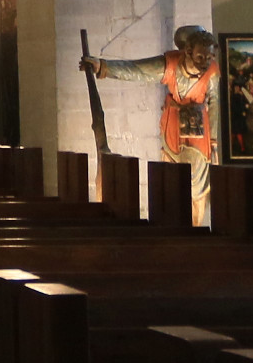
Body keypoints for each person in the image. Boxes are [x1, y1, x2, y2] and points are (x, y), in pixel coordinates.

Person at [82, 26, 219, 220]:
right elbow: (138, 69)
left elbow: (214, 102)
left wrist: (213, 139)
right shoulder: (171, 64)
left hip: (199, 135)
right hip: (172, 130)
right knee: (171, 182)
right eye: (200, 58)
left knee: (197, 187)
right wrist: (103, 67)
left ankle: (196, 230)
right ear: (187, 52)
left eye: (209, 57)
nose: (205, 63)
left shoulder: (212, 71)